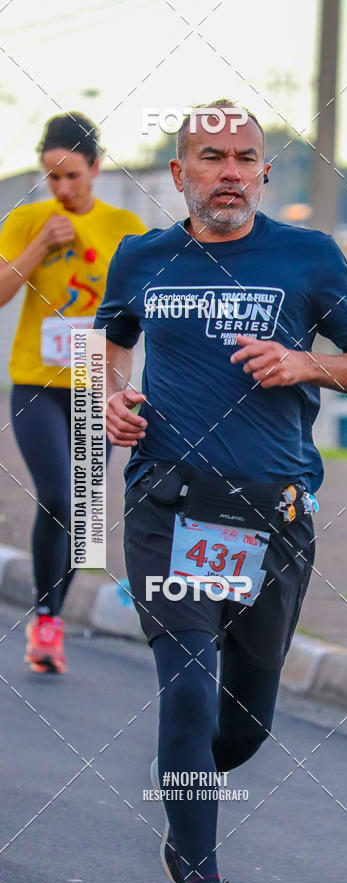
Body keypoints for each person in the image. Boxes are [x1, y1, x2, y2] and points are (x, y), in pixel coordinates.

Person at [95, 99, 347, 883]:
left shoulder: (309, 257)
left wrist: (307, 365)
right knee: (188, 681)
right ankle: (198, 869)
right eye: (211, 157)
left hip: (274, 516)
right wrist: (112, 396)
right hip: (170, 505)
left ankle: (183, 763)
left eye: (244, 159)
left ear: (264, 171)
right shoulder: (141, 258)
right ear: (179, 173)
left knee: (244, 725)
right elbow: (114, 340)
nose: (229, 173)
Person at [0, 112, 146, 673]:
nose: (61, 189)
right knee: (58, 497)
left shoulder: (124, 226)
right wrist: (40, 244)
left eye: (72, 177)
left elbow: (140, 303)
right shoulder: (28, 220)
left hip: (93, 383)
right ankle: (45, 621)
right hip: (36, 380)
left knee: (80, 514)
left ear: (95, 170)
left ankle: (51, 622)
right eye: (52, 178)